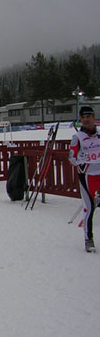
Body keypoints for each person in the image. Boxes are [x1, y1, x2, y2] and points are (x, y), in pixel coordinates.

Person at [69, 106, 100, 253]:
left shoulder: (99, 136)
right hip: (87, 176)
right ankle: (89, 239)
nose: (86, 119)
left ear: (94, 117)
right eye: (84, 117)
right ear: (80, 119)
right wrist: (81, 162)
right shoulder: (78, 137)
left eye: (89, 116)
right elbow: (71, 158)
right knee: (89, 208)